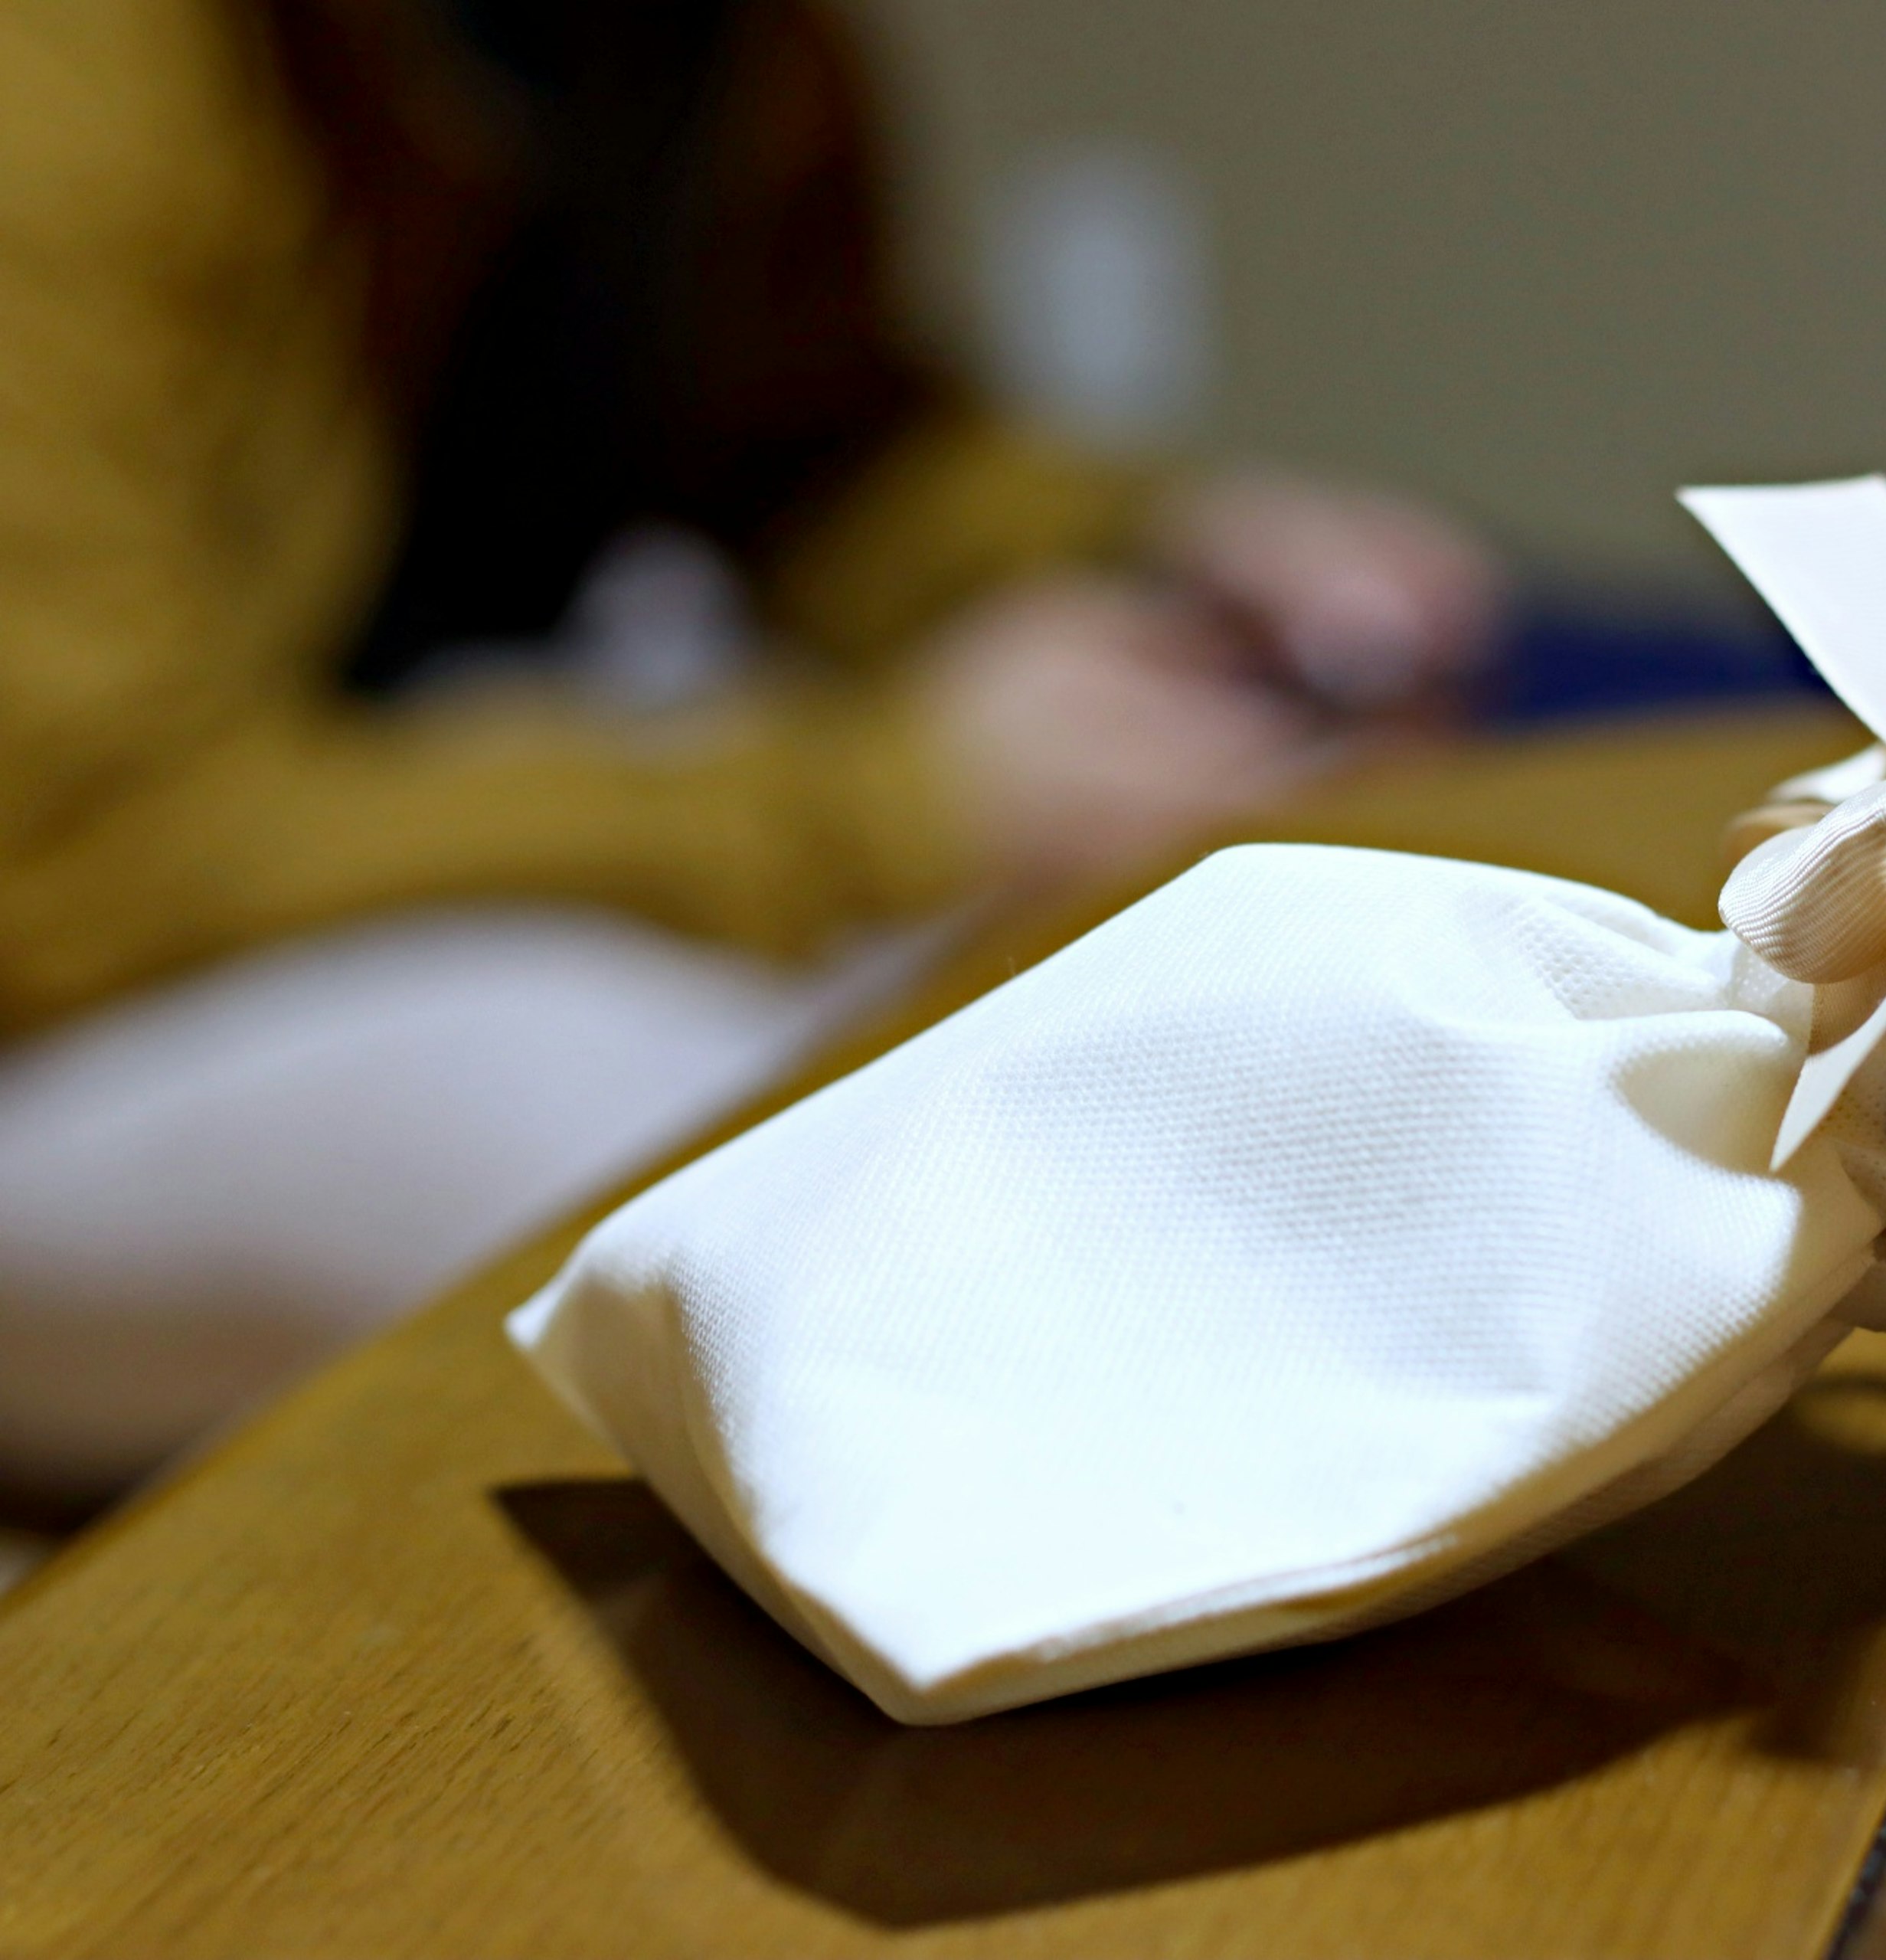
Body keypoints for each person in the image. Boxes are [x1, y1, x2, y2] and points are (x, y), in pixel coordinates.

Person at [0, 0, 1500, 1507]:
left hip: (443, 786)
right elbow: (82, 861)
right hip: (86, 969)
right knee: (725, 1188)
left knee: (1194, 969)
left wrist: (1154, 550)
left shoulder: (713, 53)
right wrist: (889, 800)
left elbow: (812, 462)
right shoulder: (72, 76)